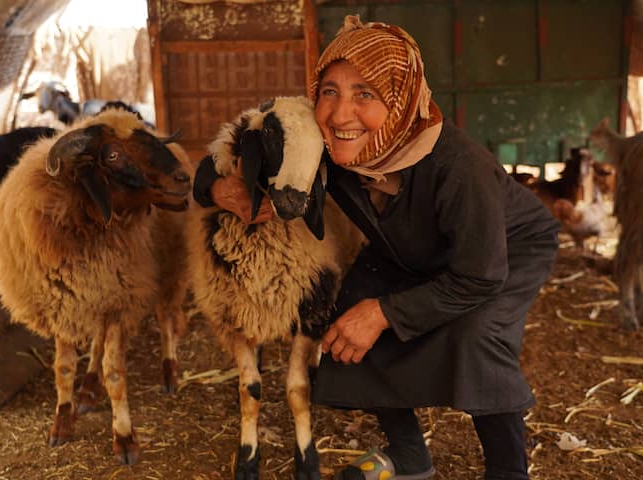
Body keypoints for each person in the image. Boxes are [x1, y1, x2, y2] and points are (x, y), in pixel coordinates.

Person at [194, 15, 560, 480]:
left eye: (365, 94)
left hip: (502, 250)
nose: (340, 114)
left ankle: (509, 471)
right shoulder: (329, 144)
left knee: (478, 332)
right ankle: (409, 453)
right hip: (407, 244)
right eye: (329, 91)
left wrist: (385, 312)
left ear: (402, 100)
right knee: (348, 310)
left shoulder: (460, 168)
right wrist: (219, 189)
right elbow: (224, 155)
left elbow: (479, 277)